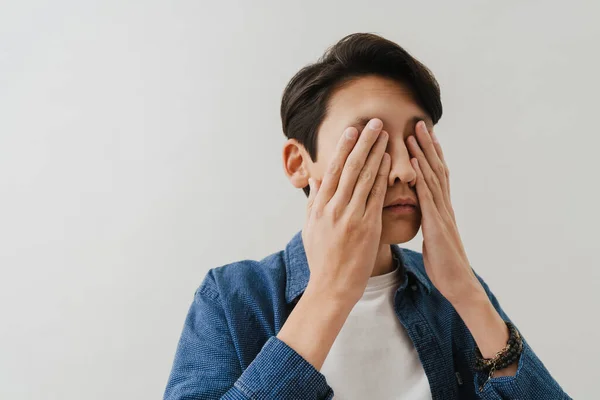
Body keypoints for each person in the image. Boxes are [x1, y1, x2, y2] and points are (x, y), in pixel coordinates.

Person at [163, 33, 571, 399]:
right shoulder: (233, 297)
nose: (405, 170)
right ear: (297, 163)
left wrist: (465, 289)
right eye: (370, 141)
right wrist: (329, 294)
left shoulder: (454, 297)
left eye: (417, 141)